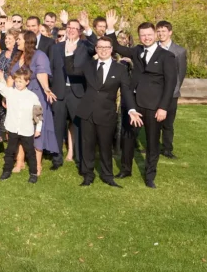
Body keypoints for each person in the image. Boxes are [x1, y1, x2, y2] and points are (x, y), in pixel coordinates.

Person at [105, 11, 177, 188]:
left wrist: (163, 108)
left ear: (155, 35)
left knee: (152, 142)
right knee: (127, 138)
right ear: (139, 36)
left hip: (154, 106)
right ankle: (125, 169)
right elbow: (115, 47)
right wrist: (111, 28)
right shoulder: (137, 50)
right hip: (134, 103)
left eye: (149, 35)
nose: (146, 38)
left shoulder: (167, 56)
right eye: (143, 35)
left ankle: (150, 175)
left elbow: (170, 84)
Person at [65, 37, 144, 188]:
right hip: (87, 113)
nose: (103, 50)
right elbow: (71, 70)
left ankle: (107, 176)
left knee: (105, 146)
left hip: (107, 114)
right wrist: (69, 53)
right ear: (96, 49)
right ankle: (88, 175)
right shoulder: (89, 65)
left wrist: (132, 109)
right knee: (87, 146)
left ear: (111, 49)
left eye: (106, 47)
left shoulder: (120, 69)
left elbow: (126, 91)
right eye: (100, 47)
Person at [9, 31, 60, 175]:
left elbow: (41, 74)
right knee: (19, 129)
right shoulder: (18, 56)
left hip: (36, 98)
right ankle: (19, 162)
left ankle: (37, 165)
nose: (16, 41)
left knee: (38, 131)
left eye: (18, 39)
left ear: (27, 41)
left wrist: (46, 89)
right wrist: (8, 96)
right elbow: (11, 77)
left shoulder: (40, 56)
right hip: (18, 98)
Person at [49, 19, 93, 171]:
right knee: (57, 127)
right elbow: (51, 69)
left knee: (79, 127)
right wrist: (50, 89)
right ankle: (57, 158)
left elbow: (96, 46)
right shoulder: (56, 48)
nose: (72, 30)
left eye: (75, 28)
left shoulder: (85, 46)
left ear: (80, 31)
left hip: (77, 92)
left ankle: (80, 160)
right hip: (59, 93)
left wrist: (88, 28)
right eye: (69, 27)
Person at [0, 67, 43, 182]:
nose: (18, 84)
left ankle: (33, 173)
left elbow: (38, 114)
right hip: (12, 128)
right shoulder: (10, 92)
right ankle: (6, 171)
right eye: (16, 81)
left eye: (21, 82)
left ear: (27, 82)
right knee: (10, 151)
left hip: (26, 130)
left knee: (30, 153)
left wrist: (38, 128)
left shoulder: (32, 96)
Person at [156, 20, 187, 160]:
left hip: (171, 94)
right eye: (159, 31)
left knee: (168, 124)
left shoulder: (179, 51)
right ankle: (153, 147)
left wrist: (173, 92)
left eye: (164, 31)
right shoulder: (152, 48)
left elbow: (181, 73)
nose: (161, 34)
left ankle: (167, 149)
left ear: (170, 32)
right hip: (154, 92)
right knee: (153, 123)